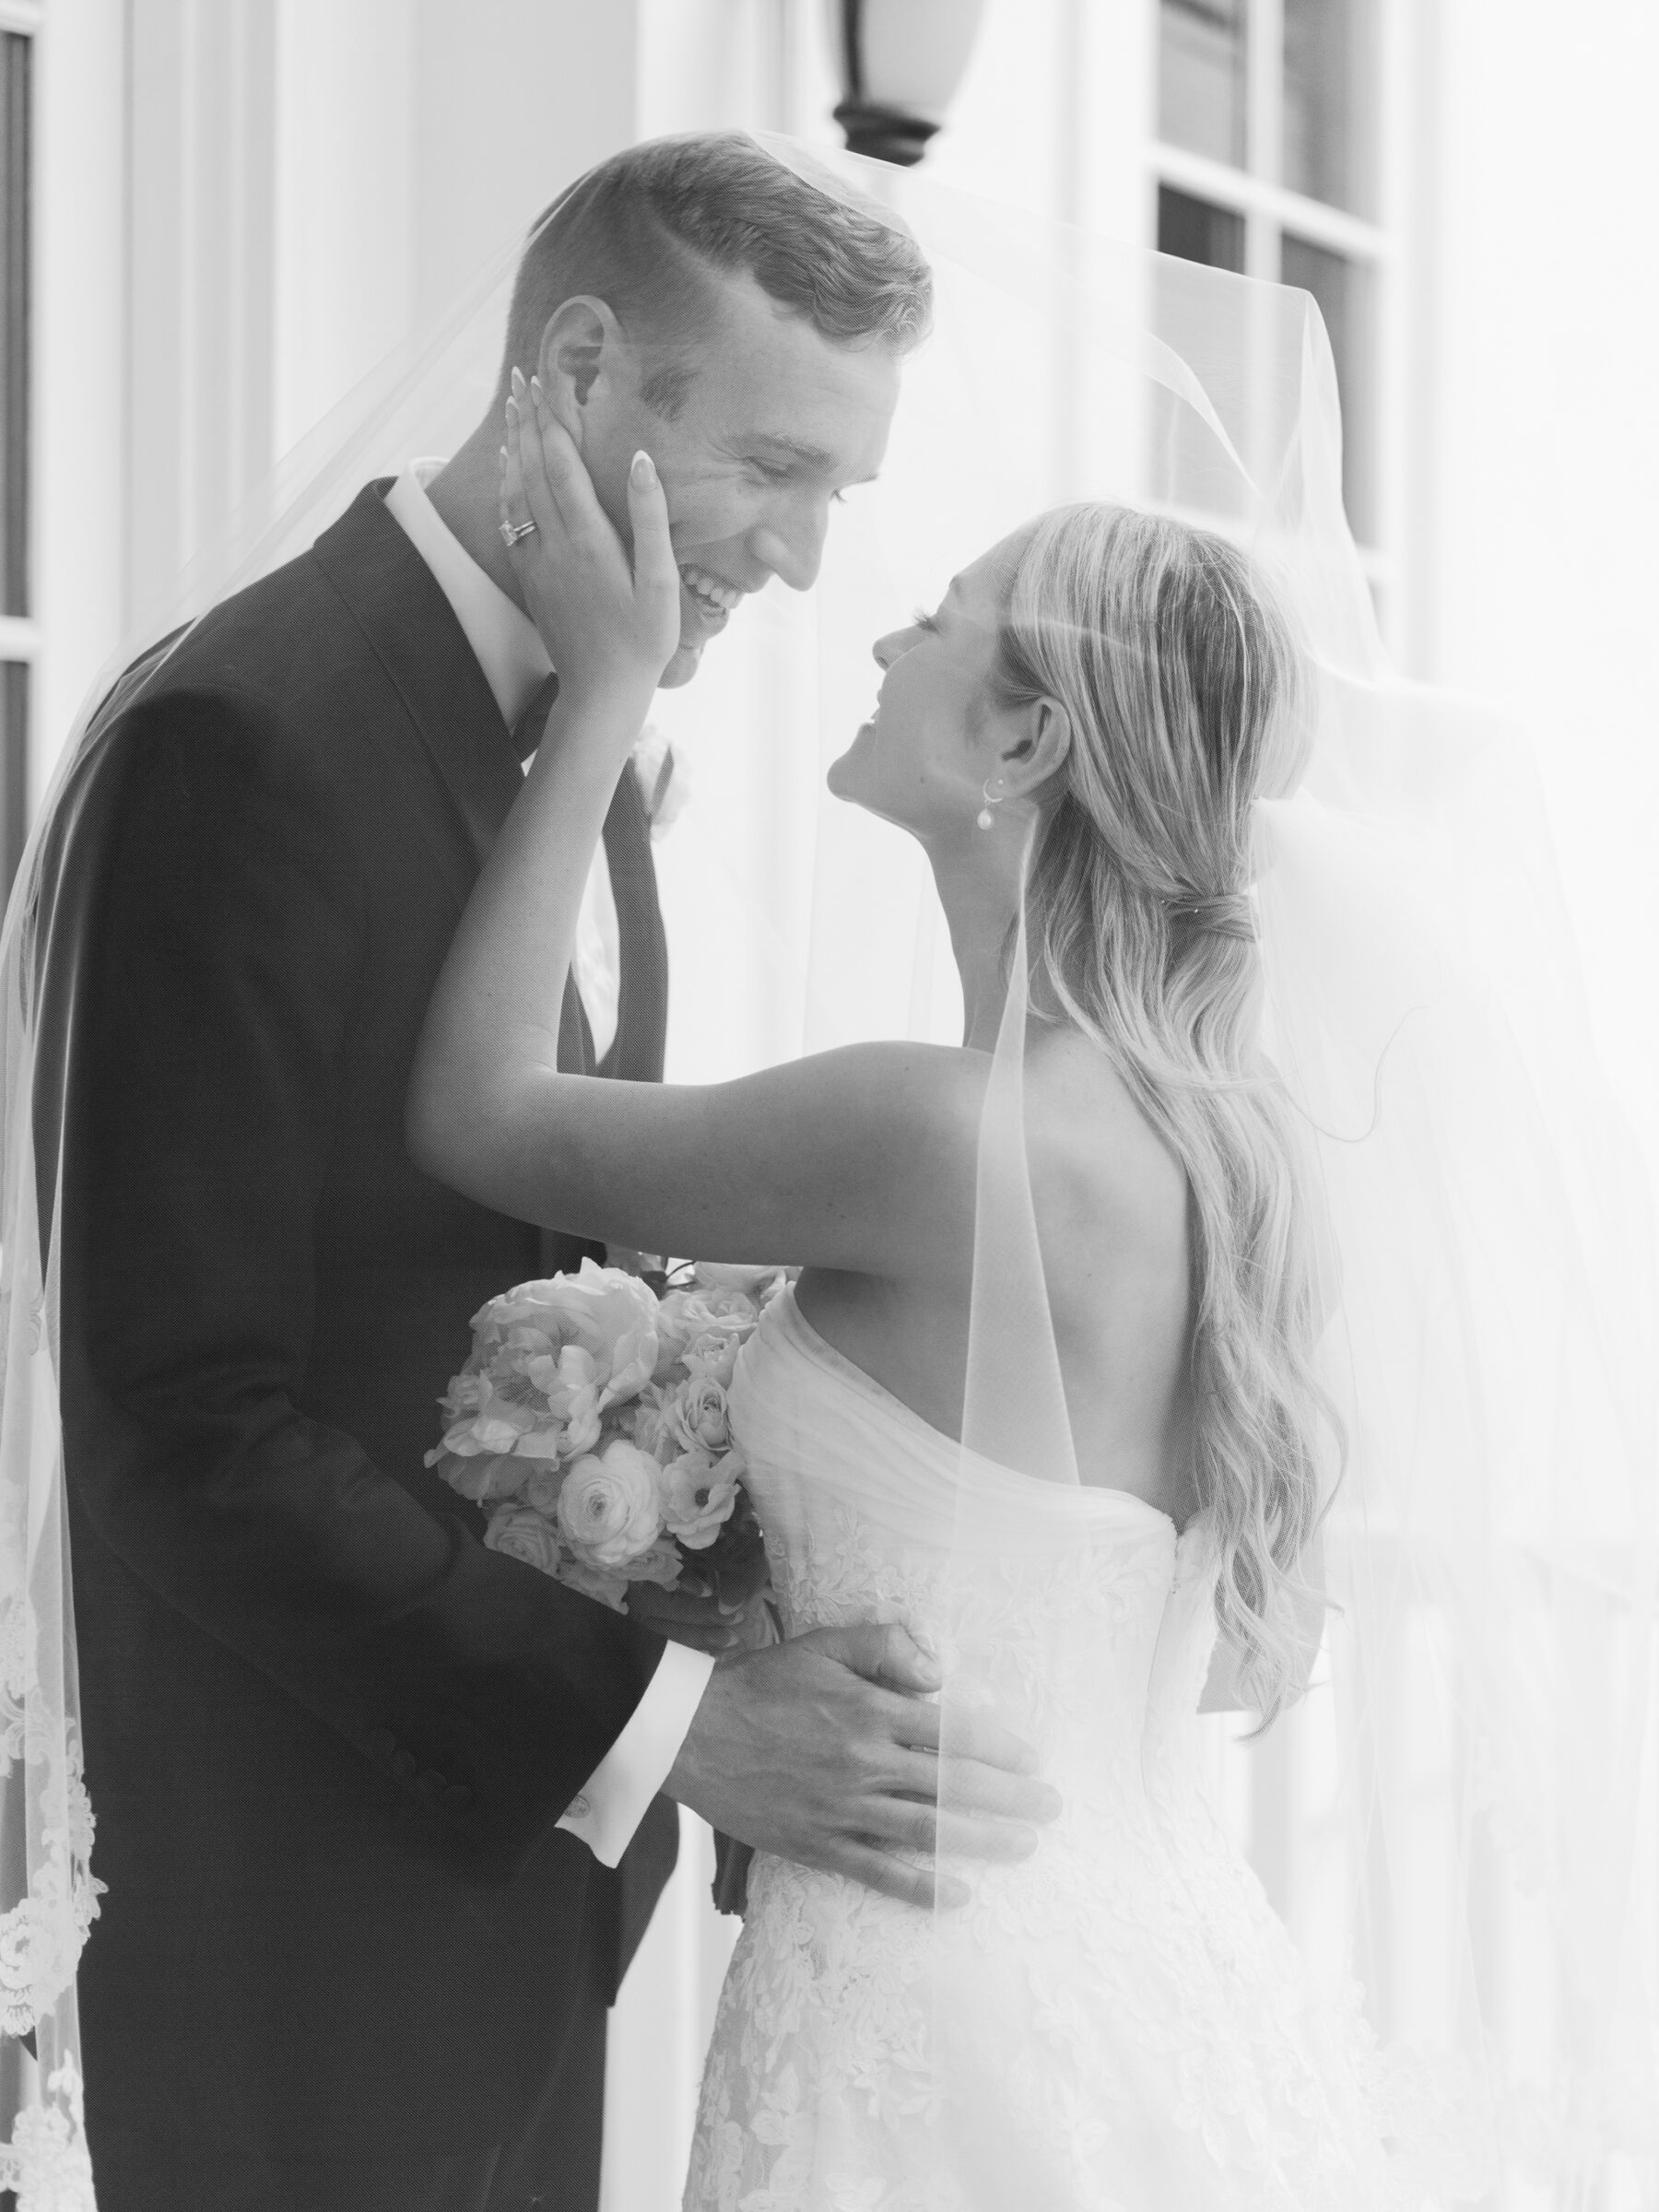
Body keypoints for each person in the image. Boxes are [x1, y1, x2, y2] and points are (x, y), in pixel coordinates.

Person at [20, 135, 1057, 2212]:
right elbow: (178, 1426)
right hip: (293, 1928)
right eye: (775, 465)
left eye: (839, 488)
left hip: (507, 1893)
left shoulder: (588, 729)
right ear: (582, 368)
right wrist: (672, 1727)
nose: (801, 553)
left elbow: (541, 1270)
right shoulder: (252, 736)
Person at [406, 360, 1420, 2208]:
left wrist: (607, 687)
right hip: (1151, 1982)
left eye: (941, 618)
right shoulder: (1219, 1146)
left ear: (1027, 743)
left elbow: (473, 1111)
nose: (882, 639)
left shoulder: (940, 1137)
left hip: (933, 2014)